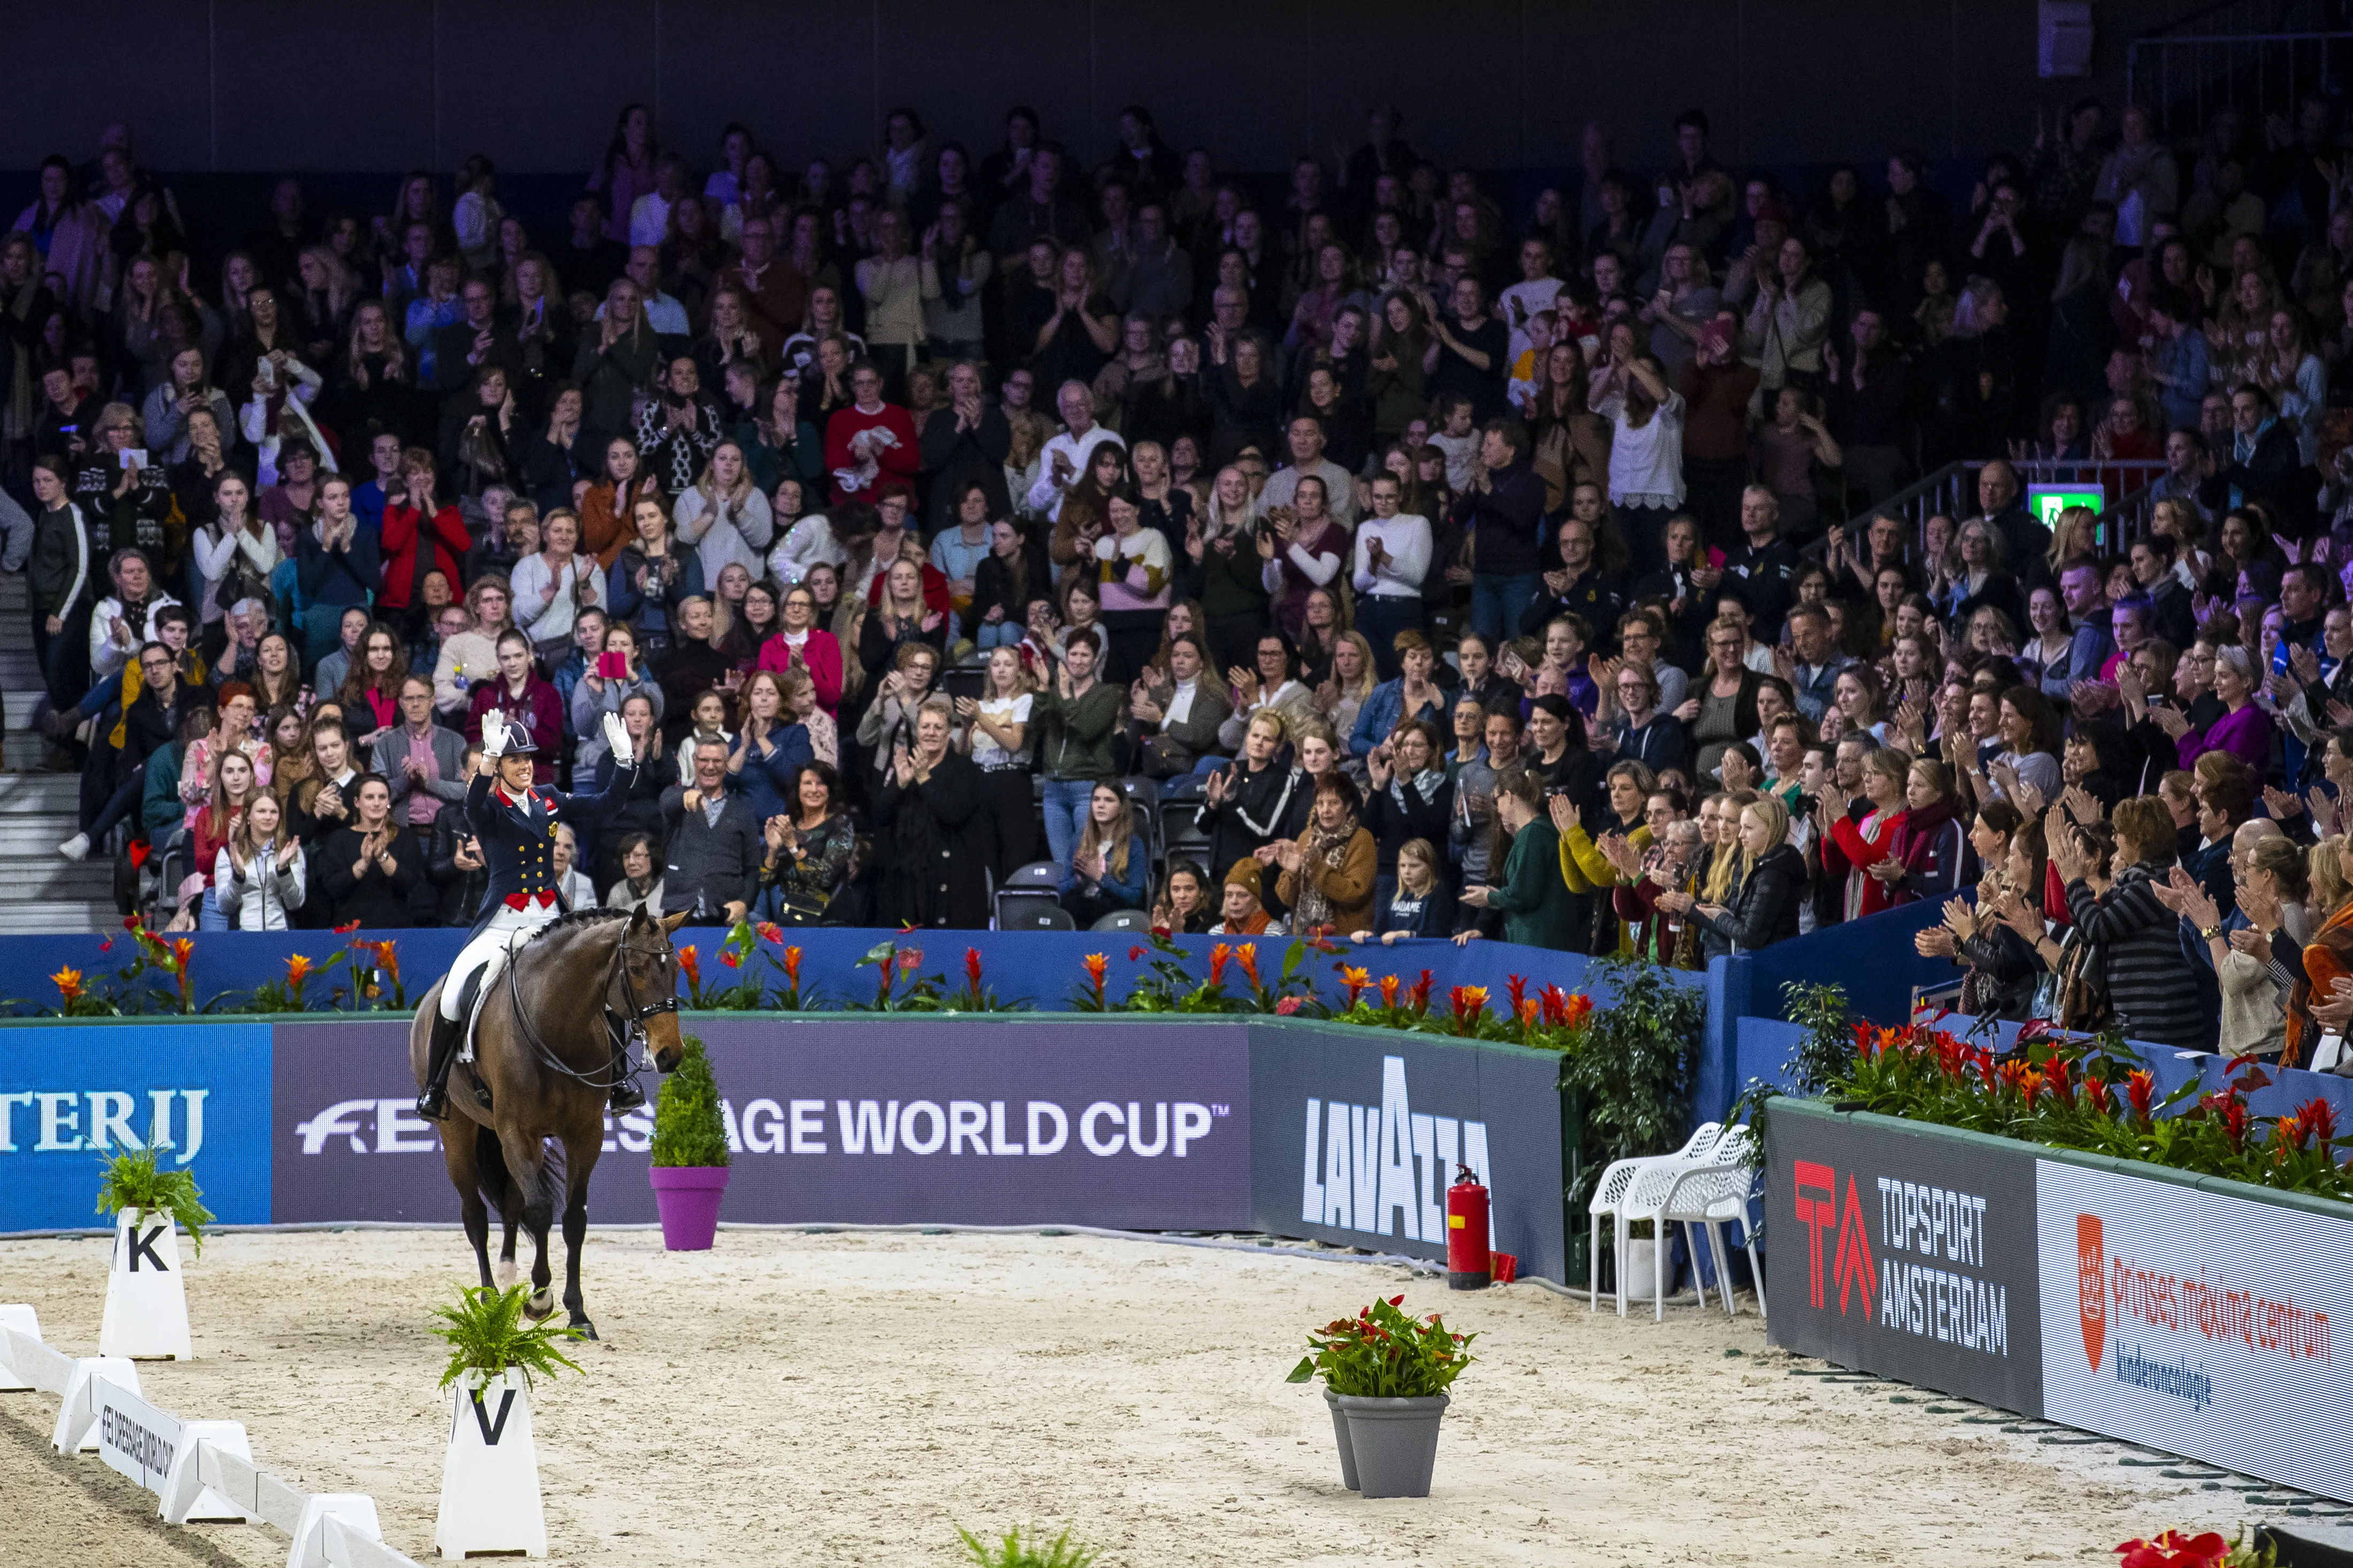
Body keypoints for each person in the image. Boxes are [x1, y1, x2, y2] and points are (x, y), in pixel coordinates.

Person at [415, 707, 643, 1119]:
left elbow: (607, 803)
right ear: (501, 767)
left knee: (601, 979)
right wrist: (486, 760)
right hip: (502, 919)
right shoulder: (489, 807)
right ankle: (436, 1087)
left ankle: (620, 1082)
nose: (524, 766)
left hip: (550, 918)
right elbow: (471, 805)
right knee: (454, 989)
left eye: (528, 759)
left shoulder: (549, 799)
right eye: (515, 760)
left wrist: (625, 761)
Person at [1457, 768, 1577, 949]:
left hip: (1538, 940)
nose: (1497, 809)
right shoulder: (1533, 833)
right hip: (1539, 938)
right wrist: (1499, 895)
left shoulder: (1533, 834)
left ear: (1508, 796)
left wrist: (1489, 897)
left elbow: (1524, 895)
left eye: (1496, 801)